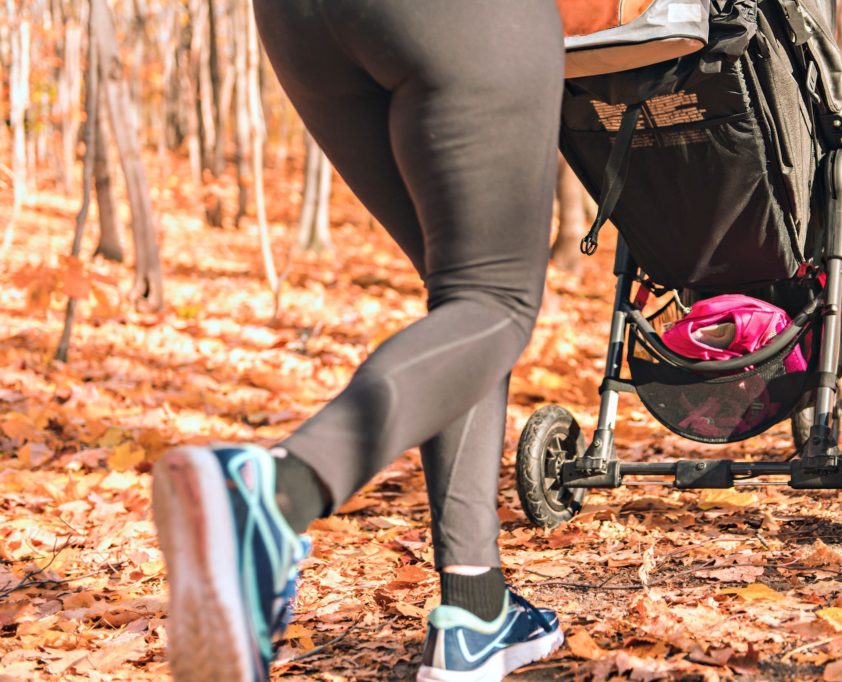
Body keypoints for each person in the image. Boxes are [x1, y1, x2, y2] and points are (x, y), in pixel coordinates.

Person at [151, 2, 567, 680]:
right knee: (495, 299)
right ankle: (274, 494)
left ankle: (476, 608)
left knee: (465, 300)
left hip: (298, 24)